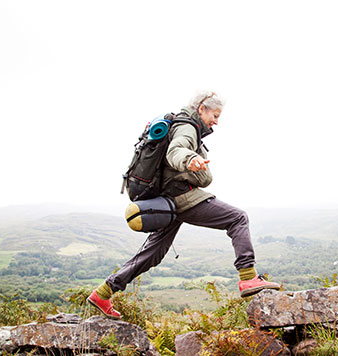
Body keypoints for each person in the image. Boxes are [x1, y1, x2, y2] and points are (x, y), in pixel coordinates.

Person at [87, 91, 280, 319]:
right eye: (215, 115)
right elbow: (176, 150)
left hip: (167, 203)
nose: (217, 121)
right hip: (182, 199)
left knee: (153, 253)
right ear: (201, 109)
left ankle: (103, 292)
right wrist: (189, 159)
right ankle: (248, 277)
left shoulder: (183, 124)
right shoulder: (187, 127)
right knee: (237, 218)